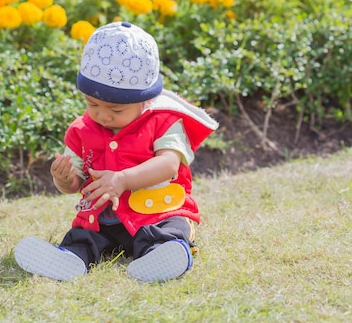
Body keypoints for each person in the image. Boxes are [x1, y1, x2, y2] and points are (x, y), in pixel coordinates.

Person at [14, 21, 218, 282]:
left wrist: (123, 179)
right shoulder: (81, 131)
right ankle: (71, 259)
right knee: (84, 235)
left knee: (170, 228)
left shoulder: (164, 122)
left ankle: (162, 255)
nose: (102, 115)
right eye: (92, 104)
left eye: (116, 110)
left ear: (145, 100)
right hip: (105, 220)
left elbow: (168, 165)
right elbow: (75, 183)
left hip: (156, 212)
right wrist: (64, 179)